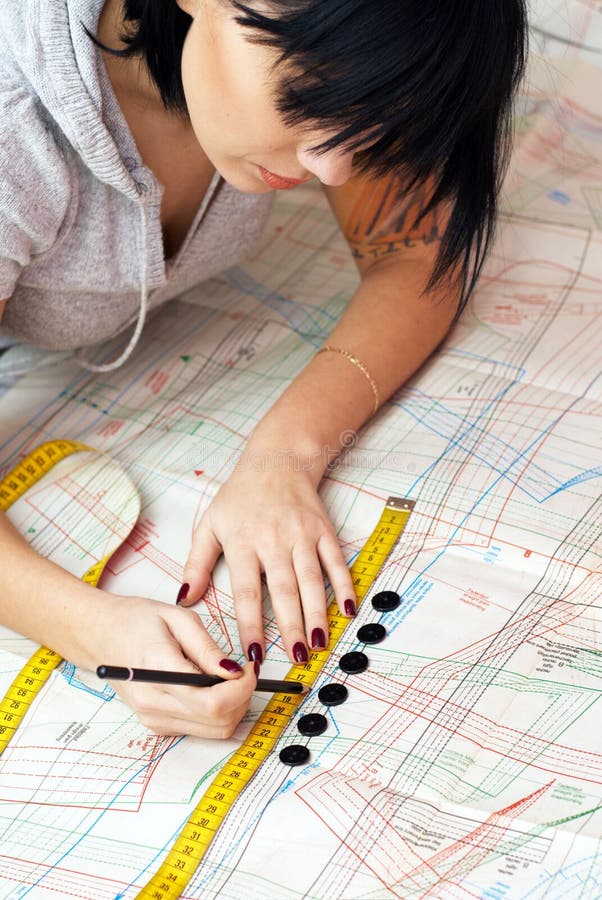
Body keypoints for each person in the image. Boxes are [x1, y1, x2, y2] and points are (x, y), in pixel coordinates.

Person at [0, 0, 528, 737]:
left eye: (363, 117)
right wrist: (93, 631)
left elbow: (414, 249)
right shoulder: (13, 128)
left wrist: (284, 455)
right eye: (311, 98)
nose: (332, 166)